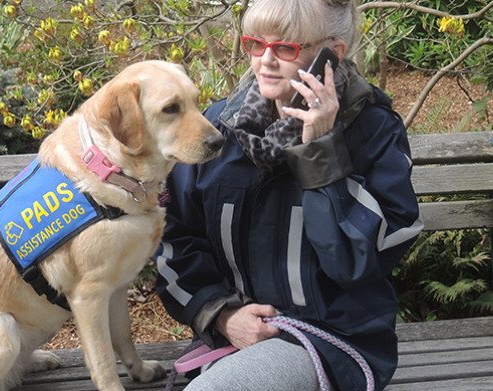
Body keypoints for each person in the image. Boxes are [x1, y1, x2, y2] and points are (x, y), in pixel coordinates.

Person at [154, 0, 422, 389]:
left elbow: (355, 262)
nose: (265, 60)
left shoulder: (374, 132)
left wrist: (321, 153)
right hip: (233, 337)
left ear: (332, 54)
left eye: (285, 48)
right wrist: (221, 314)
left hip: (331, 341)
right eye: (255, 44)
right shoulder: (217, 129)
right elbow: (173, 237)